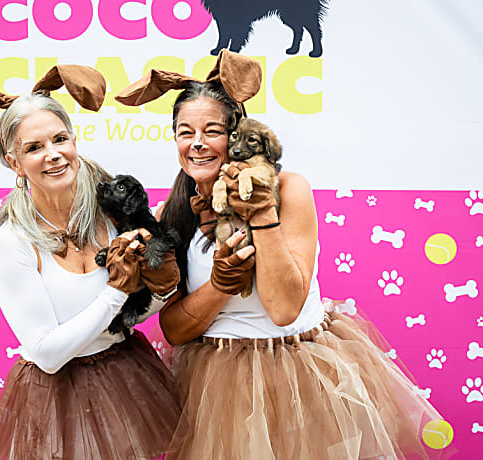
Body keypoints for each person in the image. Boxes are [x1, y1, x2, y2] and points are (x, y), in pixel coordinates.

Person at [117, 51, 449, 460]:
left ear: (237, 136)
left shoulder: (289, 190)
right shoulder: (173, 213)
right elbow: (174, 330)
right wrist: (221, 285)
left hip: (300, 376)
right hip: (218, 385)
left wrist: (261, 212)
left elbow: (284, 309)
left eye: (212, 131)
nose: (197, 143)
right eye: (185, 132)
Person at [0, 65, 182, 459]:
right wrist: (116, 291)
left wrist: (163, 288)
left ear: (74, 140)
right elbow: (47, 353)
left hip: (126, 374)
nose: (53, 155)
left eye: (60, 139)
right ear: (14, 162)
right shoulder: (9, 240)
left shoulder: (111, 208)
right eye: (34, 148)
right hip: (55, 396)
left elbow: (127, 317)